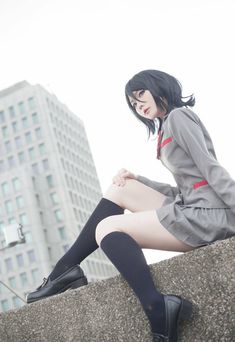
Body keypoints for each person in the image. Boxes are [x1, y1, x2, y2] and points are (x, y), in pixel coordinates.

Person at [26, 69, 235, 342]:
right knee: (121, 186)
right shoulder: (165, 127)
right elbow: (184, 189)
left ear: (158, 87)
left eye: (140, 95)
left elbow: (211, 169)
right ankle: (64, 270)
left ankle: (156, 307)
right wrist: (139, 179)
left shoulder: (179, 117)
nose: (139, 105)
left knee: (108, 228)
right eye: (134, 104)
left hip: (209, 216)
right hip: (193, 206)